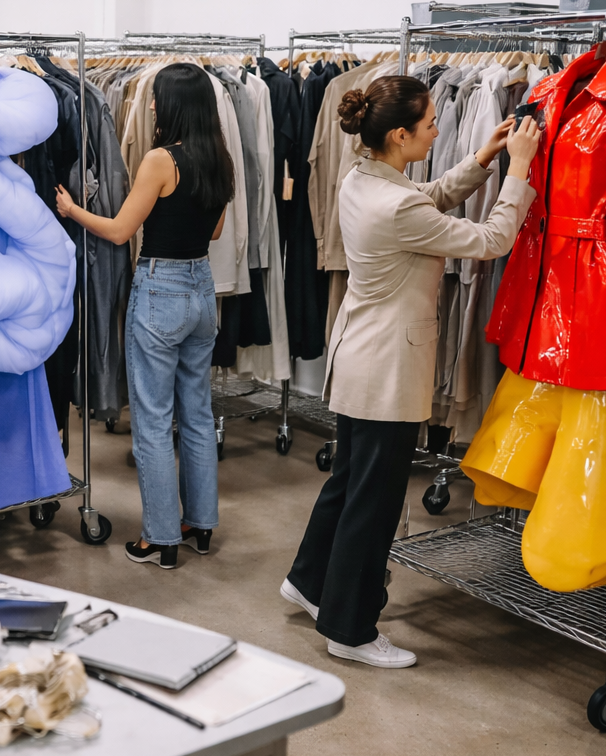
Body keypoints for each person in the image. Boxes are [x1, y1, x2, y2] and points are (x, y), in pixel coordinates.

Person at [281, 76, 540, 667]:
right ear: (399, 135)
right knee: (374, 504)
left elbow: (430, 198)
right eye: (429, 125)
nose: (438, 129)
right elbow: (491, 239)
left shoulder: (364, 178)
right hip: (389, 369)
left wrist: (485, 157)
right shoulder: (396, 204)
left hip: (361, 358)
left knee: (348, 483)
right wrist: (519, 171)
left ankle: (308, 580)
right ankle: (350, 631)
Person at [56, 63, 233, 569]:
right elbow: (216, 232)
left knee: (153, 422)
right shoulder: (220, 158)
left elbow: (118, 230)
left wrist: (72, 212)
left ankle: (159, 539)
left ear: (174, 105)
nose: (150, 105)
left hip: (161, 288)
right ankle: (200, 525)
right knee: (196, 415)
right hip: (202, 290)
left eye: (156, 99)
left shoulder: (160, 160)